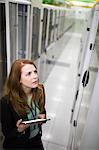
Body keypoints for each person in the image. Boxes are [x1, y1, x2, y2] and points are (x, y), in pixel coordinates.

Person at [0, 59, 46, 150]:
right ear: (18, 79)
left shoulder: (40, 90)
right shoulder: (6, 102)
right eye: (29, 74)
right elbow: (7, 132)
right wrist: (19, 130)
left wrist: (43, 117)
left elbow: (42, 109)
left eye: (35, 72)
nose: (35, 76)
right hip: (18, 144)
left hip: (36, 139)